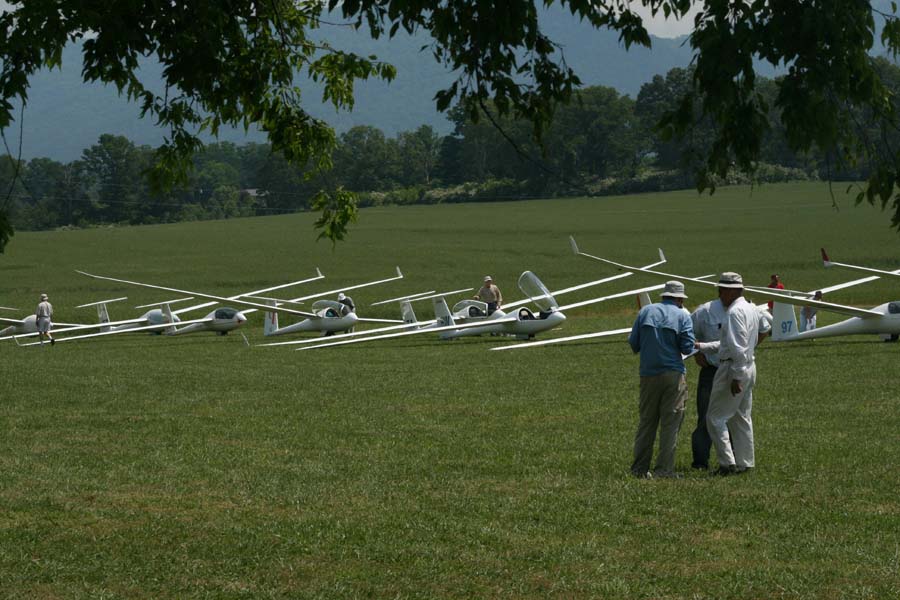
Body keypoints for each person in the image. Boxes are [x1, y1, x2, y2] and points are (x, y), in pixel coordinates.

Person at [627, 280, 695, 478]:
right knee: (670, 424)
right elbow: (687, 348)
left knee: (646, 422)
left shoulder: (645, 312)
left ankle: (639, 469)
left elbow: (634, 344)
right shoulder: (683, 315)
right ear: (680, 298)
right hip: (673, 375)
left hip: (648, 374)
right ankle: (664, 470)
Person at [696, 272, 761, 476]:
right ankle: (745, 463)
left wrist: (736, 376)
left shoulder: (734, 313)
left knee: (714, 417)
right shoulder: (751, 309)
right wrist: (702, 346)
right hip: (749, 366)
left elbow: (736, 347)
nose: (720, 294)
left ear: (732, 290)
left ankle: (727, 464)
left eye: (722, 290)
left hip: (733, 367)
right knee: (741, 417)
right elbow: (728, 344)